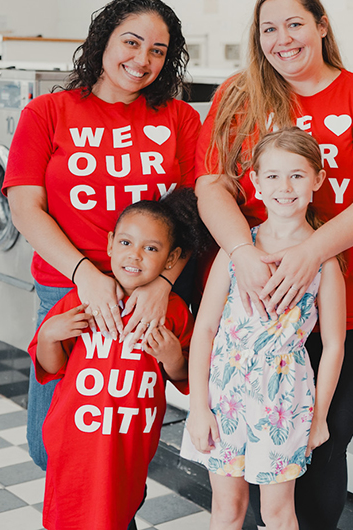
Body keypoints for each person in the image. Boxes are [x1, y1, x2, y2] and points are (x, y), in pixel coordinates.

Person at [195, 0, 353, 528]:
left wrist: (312, 252)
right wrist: (242, 253)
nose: (283, 39)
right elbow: (211, 185)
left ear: (320, 26)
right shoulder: (238, 96)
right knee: (243, 471)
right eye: (269, 28)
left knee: (314, 454)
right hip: (259, 309)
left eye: (295, 23)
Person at [5, 0, 201, 470]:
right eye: (131, 43)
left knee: (116, 448)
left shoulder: (180, 118)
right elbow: (24, 206)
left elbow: (197, 213)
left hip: (145, 297)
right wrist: (84, 275)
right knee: (48, 446)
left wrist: (163, 283)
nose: (142, 60)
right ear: (102, 42)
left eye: (158, 50)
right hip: (68, 292)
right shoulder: (48, 112)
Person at [183, 129, 346, 530]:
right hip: (225, 394)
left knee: (276, 513)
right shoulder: (236, 250)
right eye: (272, 176)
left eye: (297, 175)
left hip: (283, 402)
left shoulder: (324, 260)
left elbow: (335, 345)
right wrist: (199, 405)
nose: (284, 187)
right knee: (226, 508)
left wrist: (320, 417)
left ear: (318, 181)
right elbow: (204, 329)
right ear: (254, 182)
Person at [29, 187, 206, 530]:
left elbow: (185, 374)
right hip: (75, 440)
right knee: (70, 515)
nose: (134, 256)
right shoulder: (82, 301)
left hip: (128, 444)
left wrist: (171, 357)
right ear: (110, 244)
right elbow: (50, 368)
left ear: (171, 260)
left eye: (150, 249)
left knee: (118, 513)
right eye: (126, 243)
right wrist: (50, 333)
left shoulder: (172, 312)